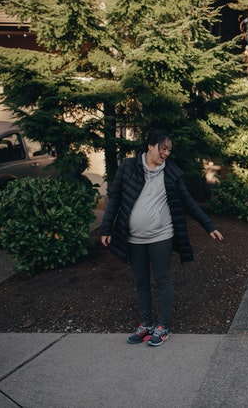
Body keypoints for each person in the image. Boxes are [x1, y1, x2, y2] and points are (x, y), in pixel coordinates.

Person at [100, 129, 223, 347]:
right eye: (162, 148)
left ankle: (162, 326)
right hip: (134, 238)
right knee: (140, 282)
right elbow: (115, 198)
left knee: (163, 279)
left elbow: (188, 202)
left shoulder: (171, 172)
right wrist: (105, 228)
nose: (166, 153)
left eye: (169, 150)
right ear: (150, 145)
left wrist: (209, 226)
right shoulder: (128, 167)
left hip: (161, 235)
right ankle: (146, 324)